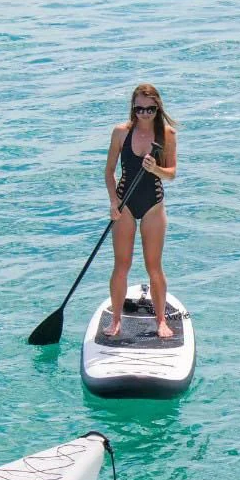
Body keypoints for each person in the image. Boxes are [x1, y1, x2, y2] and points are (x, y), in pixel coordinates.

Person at [103, 83, 178, 338]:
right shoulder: (120, 133)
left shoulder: (166, 135)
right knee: (121, 265)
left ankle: (161, 321)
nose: (144, 114)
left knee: (153, 266)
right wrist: (113, 202)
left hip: (153, 206)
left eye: (150, 109)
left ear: (157, 108)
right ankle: (115, 321)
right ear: (133, 108)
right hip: (124, 204)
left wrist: (155, 168)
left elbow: (171, 174)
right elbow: (109, 171)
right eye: (139, 109)